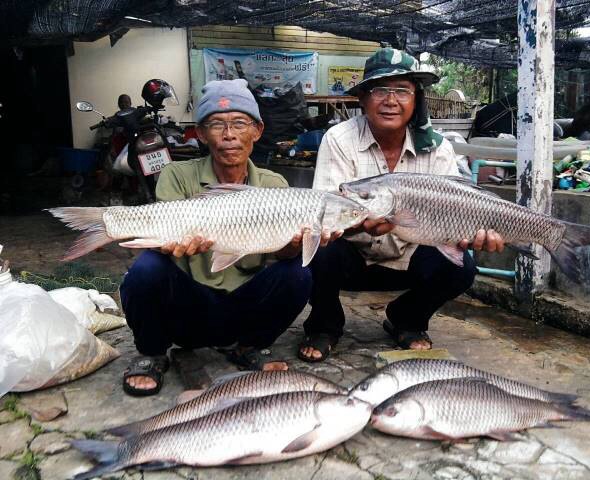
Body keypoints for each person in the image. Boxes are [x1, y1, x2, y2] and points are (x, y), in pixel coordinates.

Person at [299, 48, 505, 362]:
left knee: (461, 267)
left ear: (416, 99)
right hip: (354, 259)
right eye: (380, 89)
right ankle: (324, 326)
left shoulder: (437, 148)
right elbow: (327, 210)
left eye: (401, 90)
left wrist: (471, 233)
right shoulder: (338, 138)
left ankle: (407, 319)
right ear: (364, 98)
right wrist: (359, 222)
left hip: (410, 258)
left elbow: (455, 211)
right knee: (316, 246)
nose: (390, 100)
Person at [120, 79, 319, 396]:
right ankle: (153, 353)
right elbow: (165, 235)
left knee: (299, 273)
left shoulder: (274, 184)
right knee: (146, 268)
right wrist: (171, 246)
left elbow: (280, 257)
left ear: (257, 130)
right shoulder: (177, 175)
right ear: (200, 133)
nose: (229, 136)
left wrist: (292, 248)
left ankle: (249, 347)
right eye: (217, 125)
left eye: (240, 124)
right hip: (190, 308)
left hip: (244, 307)